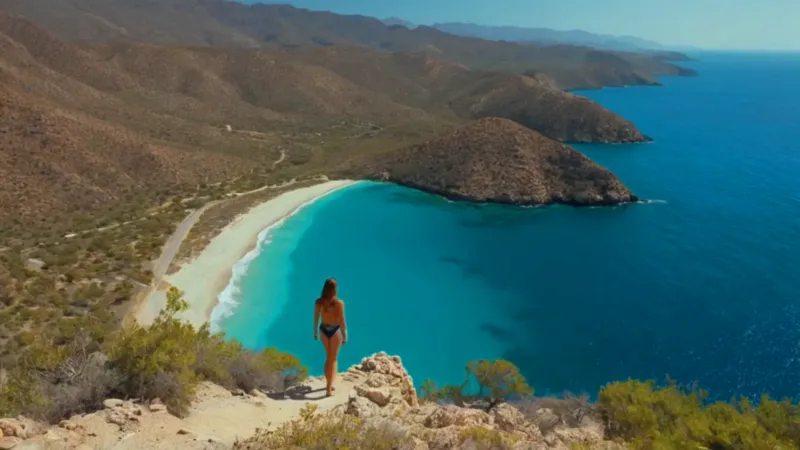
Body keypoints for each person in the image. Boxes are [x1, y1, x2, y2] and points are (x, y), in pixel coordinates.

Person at [313, 278, 347, 397]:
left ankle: (328, 384)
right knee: (334, 359)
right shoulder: (339, 303)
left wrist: (315, 332)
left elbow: (316, 318)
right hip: (334, 331)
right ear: (335, 289)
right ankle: (329, 388)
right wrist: (345, 334)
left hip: (323, 330)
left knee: (328, 358)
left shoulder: (319, 302)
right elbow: (342, 321)